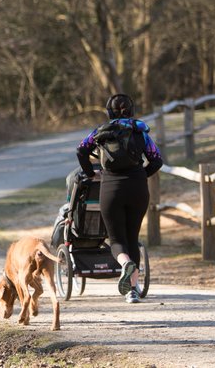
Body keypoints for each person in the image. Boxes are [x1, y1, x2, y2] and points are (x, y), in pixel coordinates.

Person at [76, 94, 163, 303]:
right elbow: (156, 160)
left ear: (109, 111)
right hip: (138, 189)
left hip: (111, 188)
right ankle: (132, 291)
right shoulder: (140, 132)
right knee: (132, 238)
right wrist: (141, 175)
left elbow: (81, 150)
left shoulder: (100, 132)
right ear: (131, 110)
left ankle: (124, 264)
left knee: (116, 240)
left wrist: (90, 173)